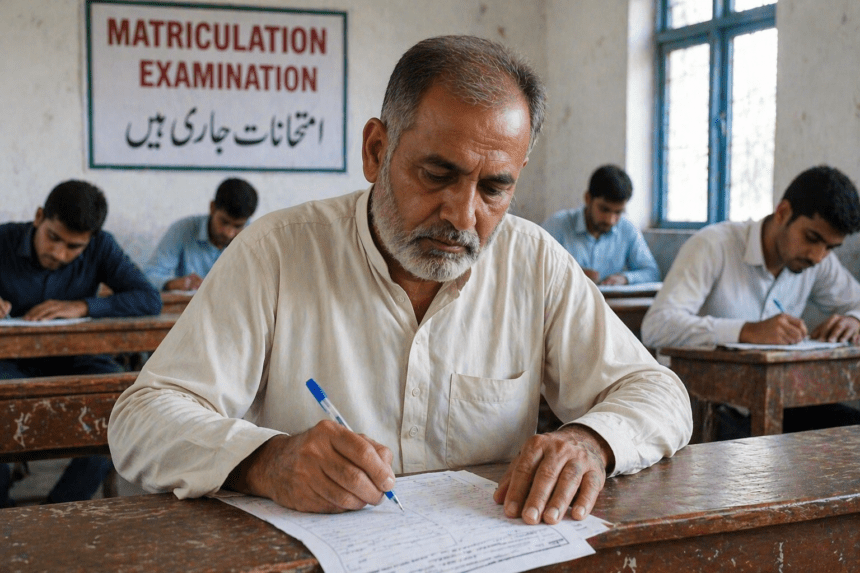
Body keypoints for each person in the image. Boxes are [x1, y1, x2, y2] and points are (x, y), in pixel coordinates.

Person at [109, 35, 691, 526]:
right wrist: (265, 459)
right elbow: (142, 418)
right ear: (376, 150)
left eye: (495, 188)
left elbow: (659, 392)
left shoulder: (531, 260)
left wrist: (591, 441)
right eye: (438, 174)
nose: (463, 217)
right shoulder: (277, 253)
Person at [641, 165, 860, 437]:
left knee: (850, 430)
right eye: (812, 238)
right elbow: (656, 326)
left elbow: (856, 301)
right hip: (702, 406)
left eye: (830, 247)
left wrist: (854, 319)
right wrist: (746, 331)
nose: (818, 256)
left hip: (773, 402)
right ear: (783, 213)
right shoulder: (713, 246)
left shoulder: (816, 263)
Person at [0, 180, 161, 506]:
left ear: (91, 240)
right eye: (53, 237)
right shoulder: (3, 239)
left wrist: (85, 306)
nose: (59, 253)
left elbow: (148, 299)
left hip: (74, 358)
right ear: (39, 216)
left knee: (124, 399)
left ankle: (63, 508)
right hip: (8, 362)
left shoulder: (102, 246)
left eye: (74, 247)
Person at [542, 164, 660, 285]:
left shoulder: (627, 229)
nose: (610, 220)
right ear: (588, 199)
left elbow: (652, 273)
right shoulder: (557, 225)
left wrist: (625, 278)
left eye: (618, 212)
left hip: (609, 303)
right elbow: (533, 267)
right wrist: (570, 274)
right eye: (604, 209)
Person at [144, 178, 258, 291]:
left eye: (238, 226)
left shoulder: (255, 238)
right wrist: (174, 284)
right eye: (224, 222)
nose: (229, 233)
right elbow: (149, 275)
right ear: (212, 208)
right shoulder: (183, 229)